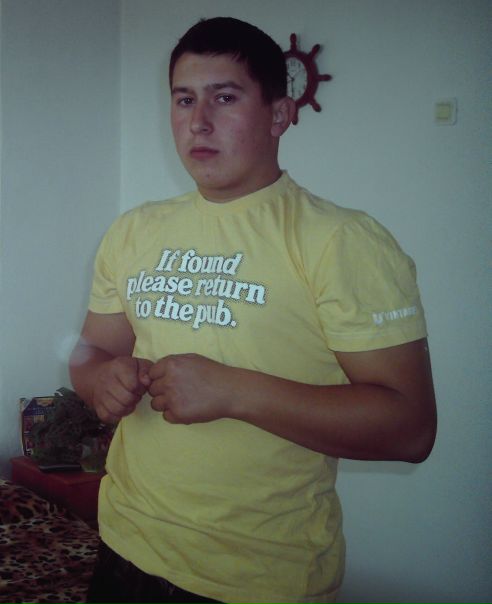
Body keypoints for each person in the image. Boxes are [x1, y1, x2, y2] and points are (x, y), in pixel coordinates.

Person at [70, 16, 437, 604]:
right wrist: (100, 380)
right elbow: (90, 352)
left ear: (278, 115)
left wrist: (234, 391)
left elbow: (410, 428)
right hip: (124, 545)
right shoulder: (133, 230)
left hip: (260, 579)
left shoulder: (342, 241)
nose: (198, 121)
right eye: (184, 99)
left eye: (225, 97)